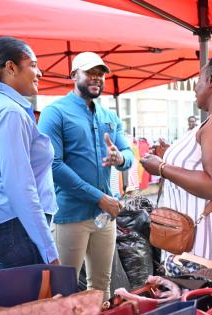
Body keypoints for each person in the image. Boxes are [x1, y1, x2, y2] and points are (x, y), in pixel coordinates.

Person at [38, 52, 133, 300]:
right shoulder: (54, 112)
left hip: (104, 216)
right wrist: (100, 197)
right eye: (90, 72)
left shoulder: (109, 117)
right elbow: (53, 166)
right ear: (73, 75)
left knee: (102, 285)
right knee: (64, 290)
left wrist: (120, 159)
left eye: (101, 74)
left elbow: (128, 154)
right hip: (71, 215)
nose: (97, 78)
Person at [140, 54, 212, 267]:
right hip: (201, 235)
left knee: (204, 298)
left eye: (199, 80)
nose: (195, 88)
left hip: (208, 239)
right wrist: (169, 156)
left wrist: (162, 168)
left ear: (211, 81)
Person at [0, 36, 60, 268]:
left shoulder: (1, 106)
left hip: (13, 225)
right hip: (17, 226)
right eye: (33, 64)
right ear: (11, 67)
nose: (39, 73)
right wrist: (49, 249)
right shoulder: (9, 112)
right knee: (34, 303)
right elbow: (20, 186)